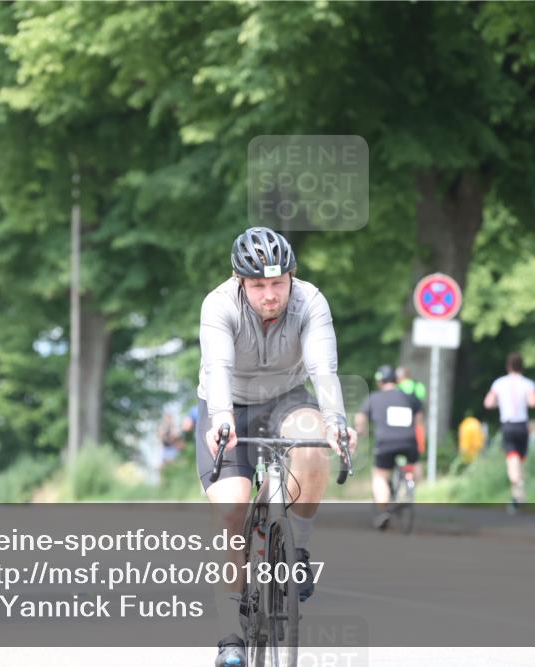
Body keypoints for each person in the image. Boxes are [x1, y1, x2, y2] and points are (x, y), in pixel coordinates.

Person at [197, 227, 358, 667]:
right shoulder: (218, 304)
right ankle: (229, 634)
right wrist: (221, 419)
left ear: (292, 276)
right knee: (231, 512)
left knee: (311, 442)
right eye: (258, 285)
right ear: (239, 281)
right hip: (228, 403)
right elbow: (217, 367)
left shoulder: (311, 301)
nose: (270, 294)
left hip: (286, 397)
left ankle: (297, 546)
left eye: (278, 283)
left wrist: (337, 422)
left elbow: (323, 367)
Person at [355, 365, 424, 530]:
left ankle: (383, 510)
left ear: (380, 381)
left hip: (385, 443)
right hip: (409, 442)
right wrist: (421, 445)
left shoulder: (374, 398)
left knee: (380, 476)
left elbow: (360, 417)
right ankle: (409, 489)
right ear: (397, 380)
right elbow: (420, 423)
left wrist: (361, 431)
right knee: (415, 467)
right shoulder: (411, 398)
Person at [484, 352, 535, 514]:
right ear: (522, 366)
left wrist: (499, 403)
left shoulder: (500, 383)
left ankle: (517, 488)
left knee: (512, 460)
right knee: (520, 460)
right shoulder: (528, 384)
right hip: (522, 425)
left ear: (508, 366)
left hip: (508, 425)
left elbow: (488, 403)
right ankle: (518, 493)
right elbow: (534, 402)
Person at [395, 366, 427, 455]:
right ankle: (420, 447)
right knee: (419, 425)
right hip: (416, 414)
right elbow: (422, 397)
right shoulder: (418, 385)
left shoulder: (397, 386)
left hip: (400, 416)